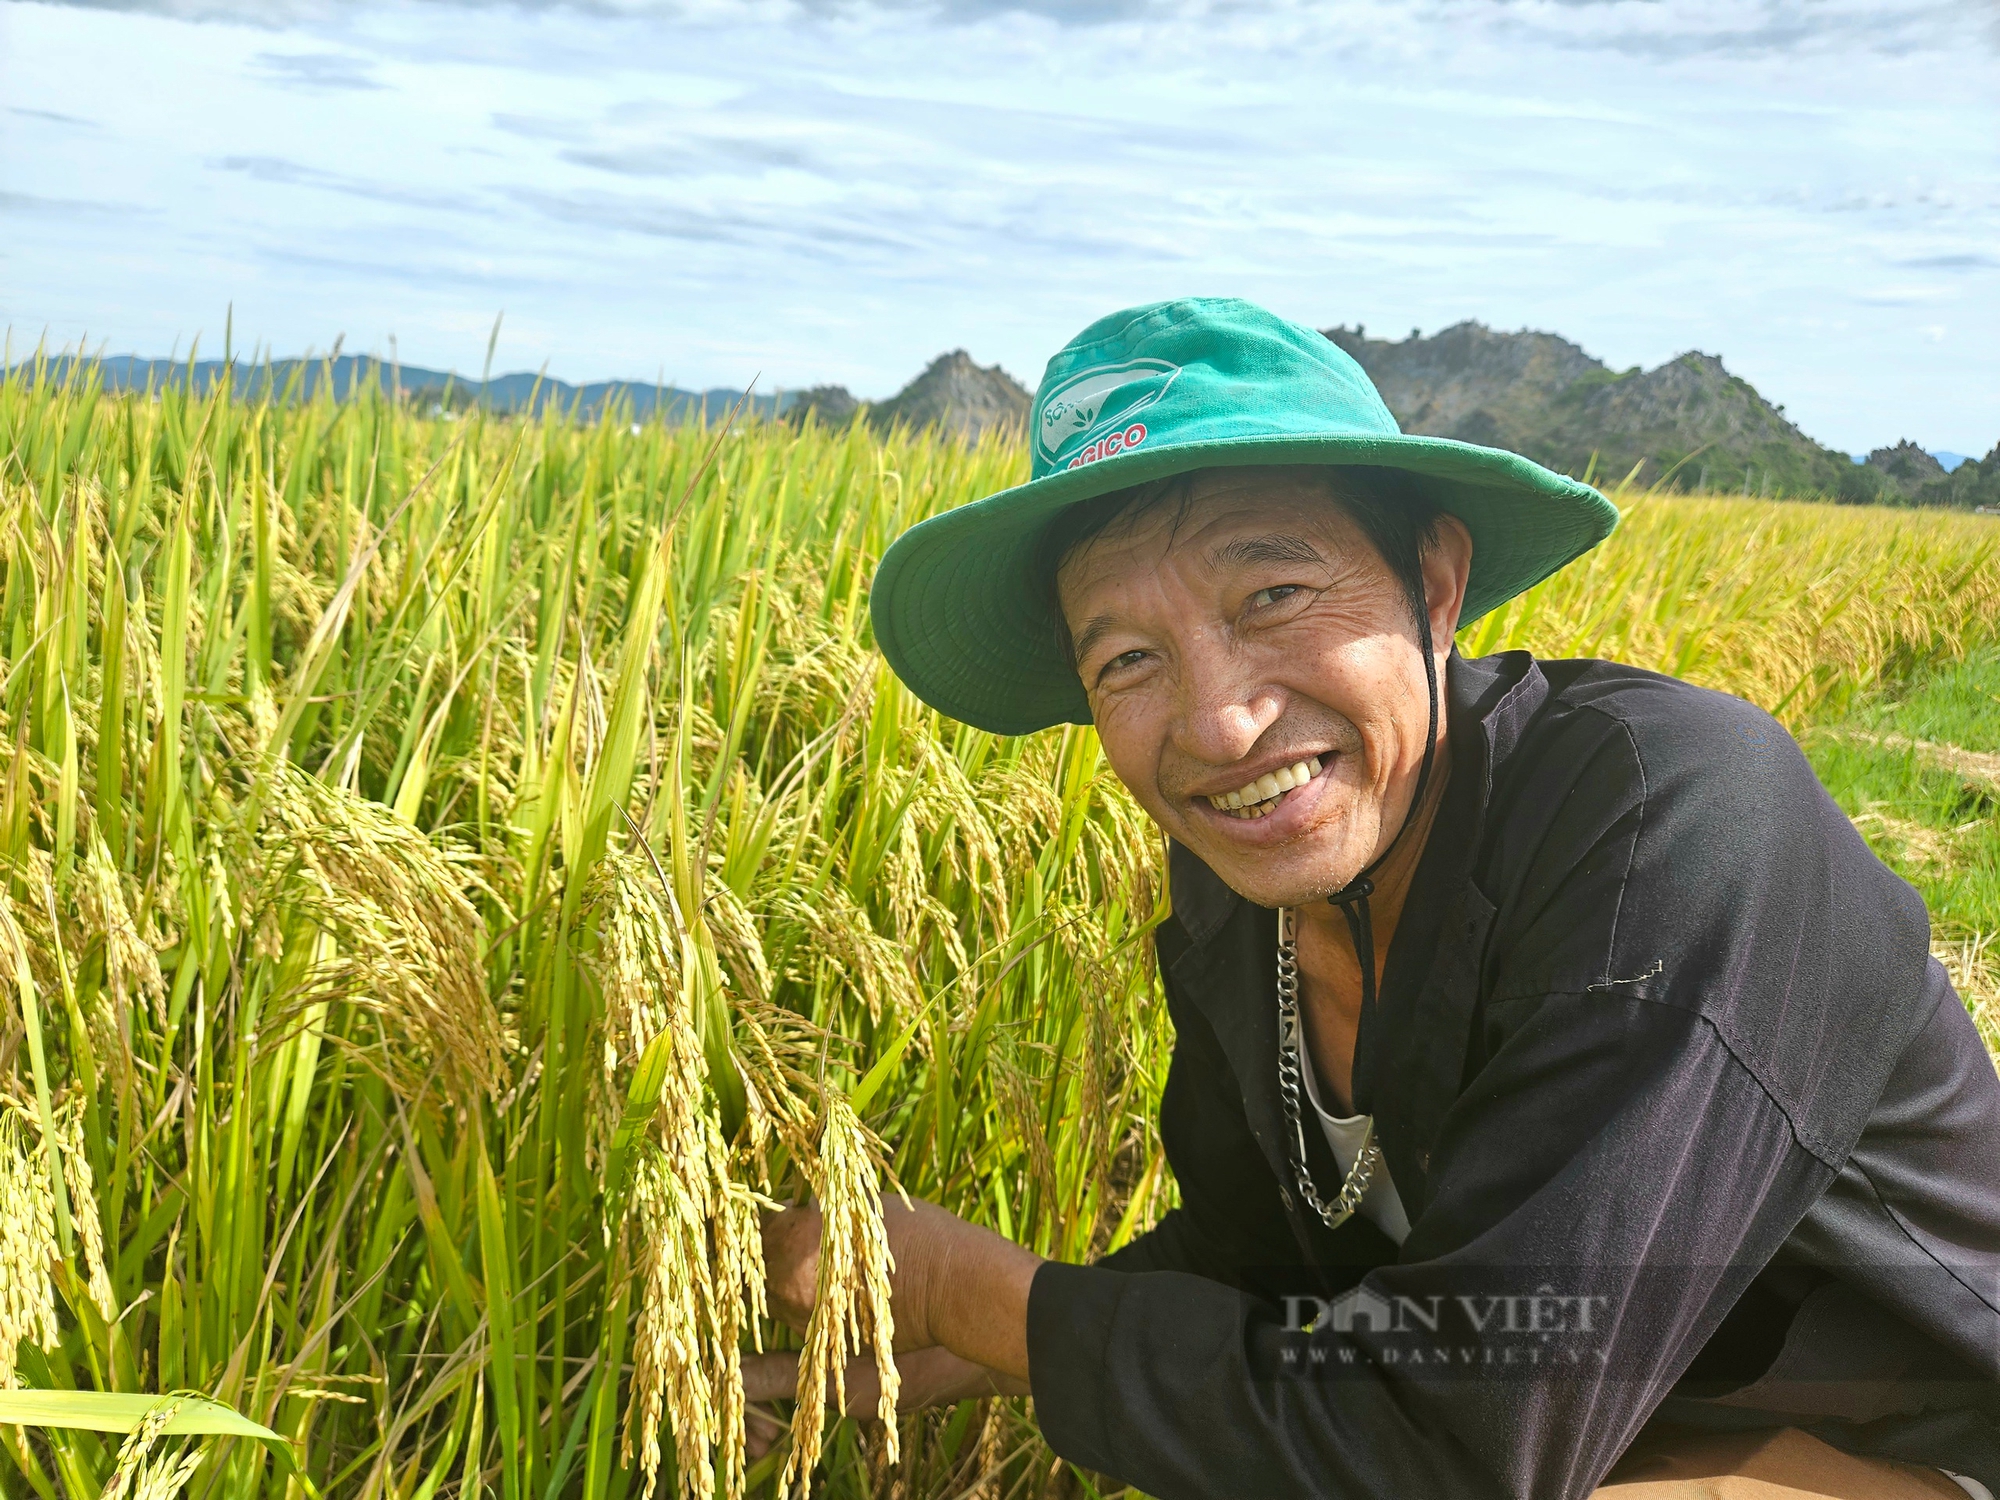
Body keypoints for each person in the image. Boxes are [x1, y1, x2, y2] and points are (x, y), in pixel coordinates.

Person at [749, 298, 2000, 1497]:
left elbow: (1452, 1455)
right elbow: (1260, 1265)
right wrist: (935, 1332)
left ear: (1435, 584)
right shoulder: (1247, 890)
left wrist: (982, 1295)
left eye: (1274, 597)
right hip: (1607, 1434)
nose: (1220, 724)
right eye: (1127, 659)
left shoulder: (1666, 824)